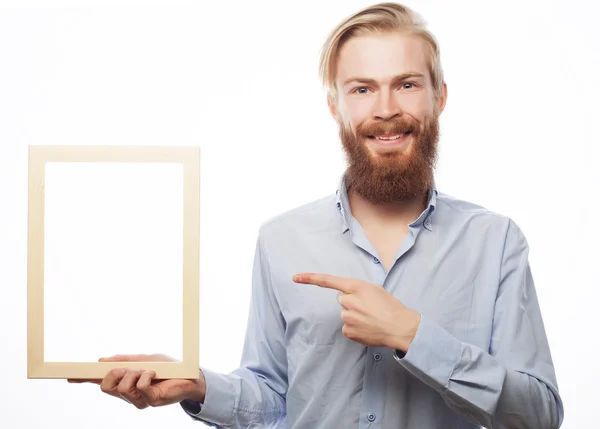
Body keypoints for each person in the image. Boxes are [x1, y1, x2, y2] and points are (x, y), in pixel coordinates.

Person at [69, 2, 564, 428]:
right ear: (336, 107)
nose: (386, 109)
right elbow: (273, 398)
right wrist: (197, 386)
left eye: (407, 84)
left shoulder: (495, 241)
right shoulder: (282, 239)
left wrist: (413, 336)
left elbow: (539, 414)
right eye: (362, 89)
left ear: (440, 96)